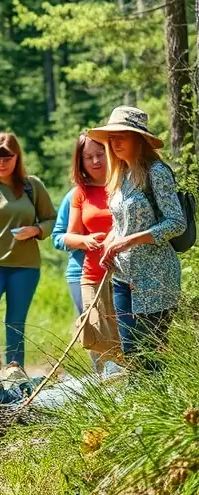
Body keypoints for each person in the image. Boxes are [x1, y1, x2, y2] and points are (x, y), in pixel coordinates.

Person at [89, 106, 186, 369]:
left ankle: (159, 408)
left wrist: (128, 241)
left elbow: (177, 223)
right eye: (112, 137)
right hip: (123, 277)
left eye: (123, 135)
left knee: (149, 355)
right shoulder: (120, 175)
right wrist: (110, 244)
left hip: (155, 277)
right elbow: (121, 224)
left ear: (139, 139)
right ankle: (138, 405)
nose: (115, 142)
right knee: (131, 354)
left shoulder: (157, 173)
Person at [0, 132, 56, 371]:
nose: (2, 163)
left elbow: (51, 219)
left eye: (7, 158)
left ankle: (16, 372)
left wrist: (35, 230)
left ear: (17, 158)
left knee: (15, 323)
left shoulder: (32, 186)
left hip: (24, 268)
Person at [62, 133, 119, 368]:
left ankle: (135, 387)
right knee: (96, 335)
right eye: (88, 157)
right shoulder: (80, 193)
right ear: (81, 162)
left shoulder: (123, 183)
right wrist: (85, 240)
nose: (95, 161)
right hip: (92, 275)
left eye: (99, 154)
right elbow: (68, 236)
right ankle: (104, 390)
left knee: (126, 336)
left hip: (126, 275)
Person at [51, 189, 85, 315]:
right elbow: (57, 238)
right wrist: (82, 241)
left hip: (121, 275)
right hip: (80, 273)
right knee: (87, 328)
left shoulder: (121, 190)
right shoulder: (74, 195)